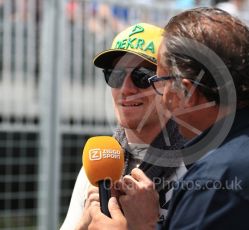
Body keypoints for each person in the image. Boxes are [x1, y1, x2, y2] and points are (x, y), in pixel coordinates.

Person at [87, 7, 249, 230]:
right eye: (115, 76)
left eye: (155, 81)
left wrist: (142, 226)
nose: (161, 98)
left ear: (187, 92)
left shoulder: (215, 184)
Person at [60, 23, 187, 230]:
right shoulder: (98, 162)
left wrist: (145, 224)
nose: (126, 88)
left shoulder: (195, 166)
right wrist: (83, 224)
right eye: (116, 75)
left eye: (142, 76)